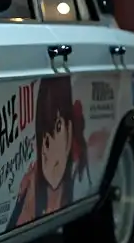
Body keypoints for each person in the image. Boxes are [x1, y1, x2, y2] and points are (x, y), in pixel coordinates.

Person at [7, 75, 89, 230]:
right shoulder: (29, 188)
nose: (48, 150)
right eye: (44, 137)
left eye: (57, 128)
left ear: (69, 130)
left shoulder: (78, 179)